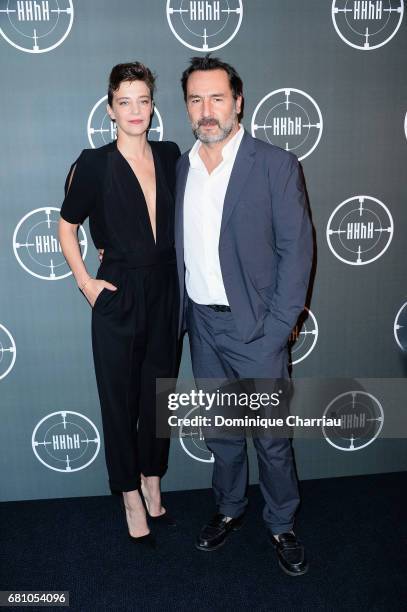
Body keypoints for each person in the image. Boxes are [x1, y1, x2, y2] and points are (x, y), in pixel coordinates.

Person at [175, 55, 313, 575]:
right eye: (195, 99)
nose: (206, 110)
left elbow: (296, 253)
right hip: (202, 328)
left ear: (238, 102)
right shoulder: (181, 167)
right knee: (221, 434)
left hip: (257, 329)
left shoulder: (275, 164)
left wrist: (277, 330)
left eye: (216, 98)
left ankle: (282, 523)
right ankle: (229, 508)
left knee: (272, 439)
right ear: (187, 107)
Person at [58, 62, 180, 545]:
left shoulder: (172, 156)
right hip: (118, 292)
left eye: (143, 100)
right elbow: (66, 227)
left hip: (167, 289)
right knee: (120, 401)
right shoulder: (93, 163)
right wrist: (85, 282)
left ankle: (153, 482)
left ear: (153, 106)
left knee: (159, 396)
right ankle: (129, 495)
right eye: (124, 102)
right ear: (110, 110)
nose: (135, 110)